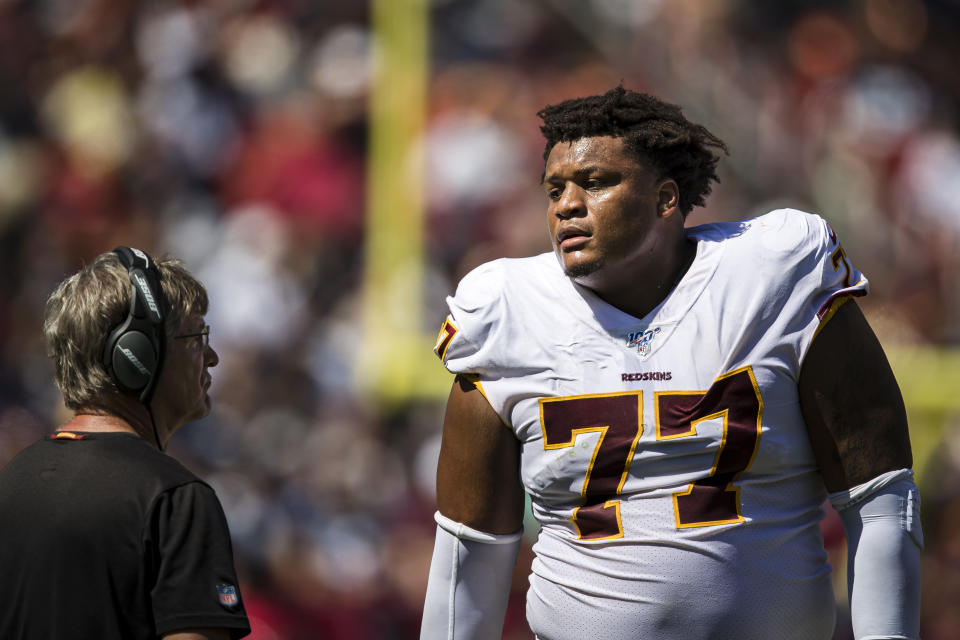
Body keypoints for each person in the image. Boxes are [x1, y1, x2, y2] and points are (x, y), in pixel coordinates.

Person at [420, 87, 922, 640]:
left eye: (595, 182)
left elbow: (879, 496)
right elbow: (470, 552)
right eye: (555, 188)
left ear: (665, 199)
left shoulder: (775, 274)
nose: (566, 204)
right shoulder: (506, 310)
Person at [0, 247, 251, 640]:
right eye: (197, 336)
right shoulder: (176, 499)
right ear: (136, 353)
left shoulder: (10, 481)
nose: (213, 357)